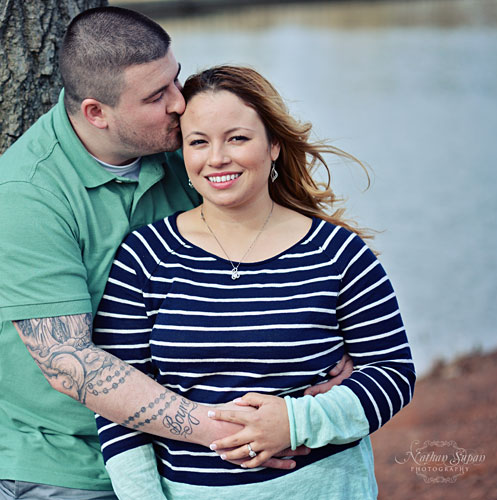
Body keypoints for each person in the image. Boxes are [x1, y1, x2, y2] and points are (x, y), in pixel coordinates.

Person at [0, 7, 351, 499]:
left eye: (175, 79)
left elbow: (260, 250)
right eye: (156, 96)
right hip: (66, 461)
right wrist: (233, 430)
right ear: (96, 113)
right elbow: (69, 362)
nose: (178, 104)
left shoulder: (181, 148)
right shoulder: (27, 198)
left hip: (189, 455)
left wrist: (333, 347)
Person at [93, 65, 416, 499]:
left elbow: (393, 373)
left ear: (275, 144)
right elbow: (117, 404)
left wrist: (296, 421)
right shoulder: (145, 256)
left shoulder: (337, 252)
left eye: (238, 138)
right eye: (199, 142)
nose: (218, 158)